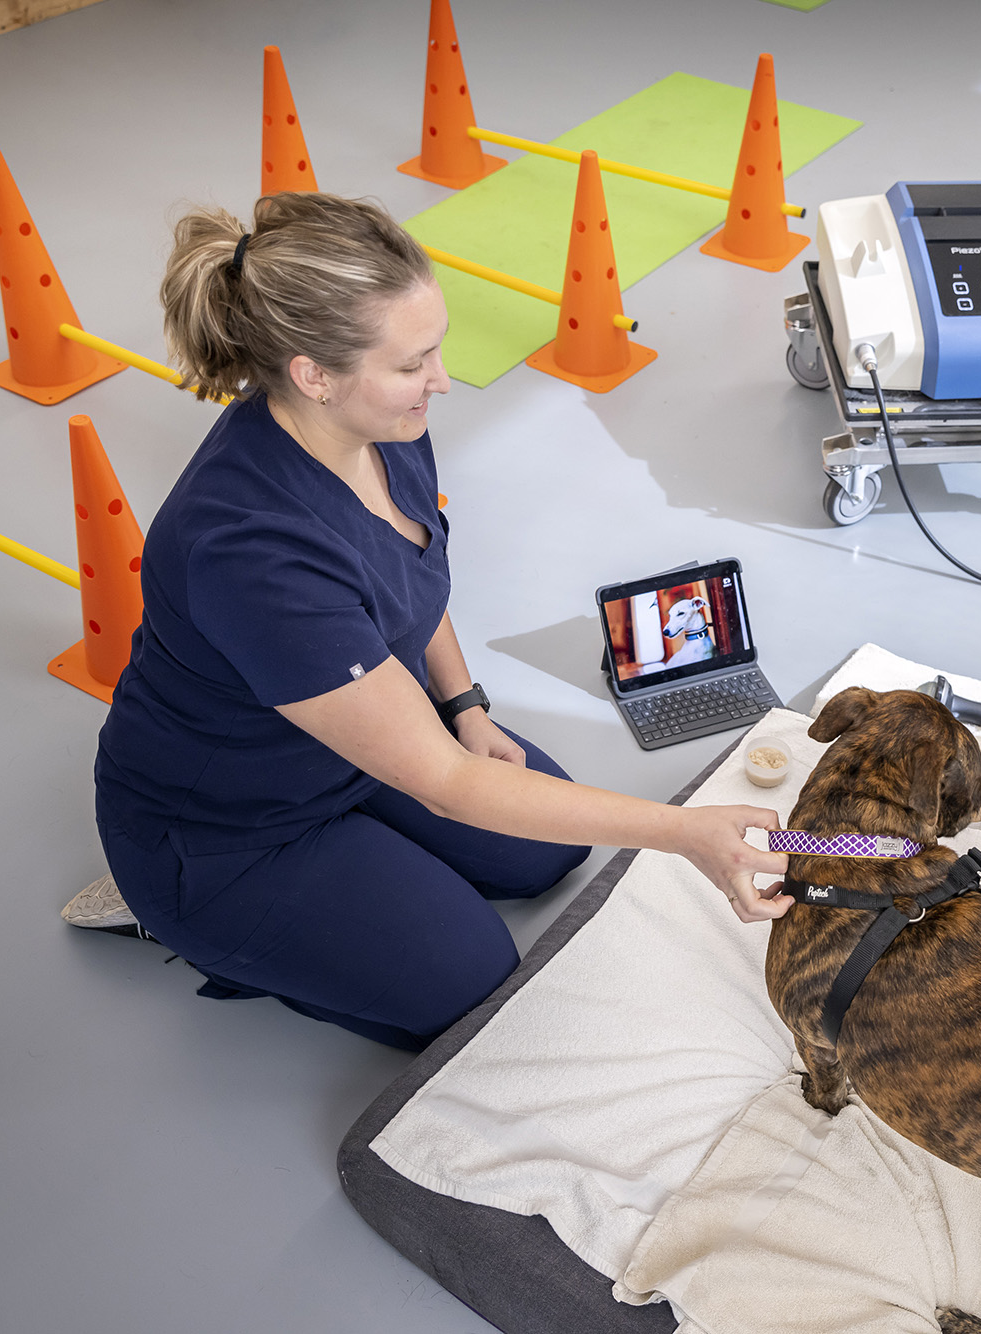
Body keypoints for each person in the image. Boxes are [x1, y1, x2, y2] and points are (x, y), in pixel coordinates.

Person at [79, 192, 787, 1050]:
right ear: (314, 373)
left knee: (545, 853)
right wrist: (683, 834)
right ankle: (197, 932)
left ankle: (363, 869)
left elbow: (412, 584)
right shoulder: (250, 551)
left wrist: (465, 706)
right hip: (230, 832)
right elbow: (446, 784)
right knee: (469, 986)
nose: (442, 381)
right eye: (415, 362)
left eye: (436, 348)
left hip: (360, 739)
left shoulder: (384, 427)